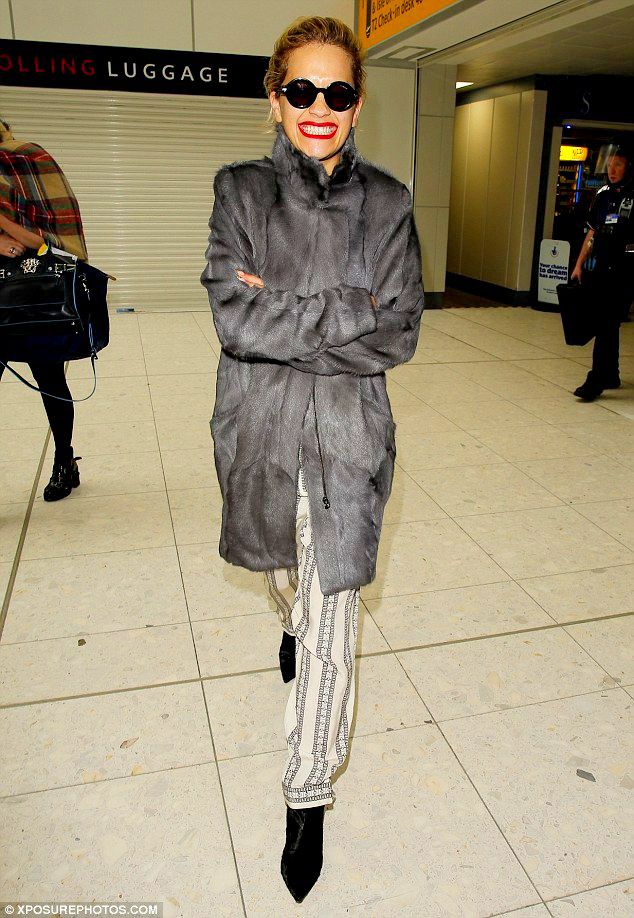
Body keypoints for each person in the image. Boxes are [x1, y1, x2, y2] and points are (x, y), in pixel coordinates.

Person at [201, 16, 424, 903]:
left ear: (357, 103)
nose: (320, 106)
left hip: (348, 443)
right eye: (302, 90)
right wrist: (350, 306)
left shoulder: (391, 203)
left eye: (338, 91)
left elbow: (399, 331)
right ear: (275, 98)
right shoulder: (239, 191)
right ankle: (289, 623)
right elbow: (234, 317)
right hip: (258, 434)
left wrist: (286, 310)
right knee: (286, 582)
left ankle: (307, 796)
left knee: (334, 625)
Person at [0, 117, 87, 499]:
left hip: (34, 292)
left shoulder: (27, 159)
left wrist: (5, 227)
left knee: (50, 381)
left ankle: (64, 460)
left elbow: (53, 242)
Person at [571, 145, 634, 401]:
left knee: (606, 321)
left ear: (629, 167)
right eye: (609, 164)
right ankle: (609, 373)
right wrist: (579, 264)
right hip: (603, 268)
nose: (612, 169)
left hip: (626, 270)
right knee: (609, 321)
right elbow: (592, 232)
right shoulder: (603, 195)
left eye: (618, 164)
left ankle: (596, 379)